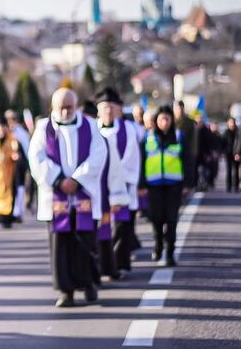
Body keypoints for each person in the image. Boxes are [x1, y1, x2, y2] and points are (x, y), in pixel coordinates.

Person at [29, 87, 106, 308]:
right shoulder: (44, 128)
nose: (64, 112)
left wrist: (77, 179)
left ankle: (88, 282)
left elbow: (99, 155)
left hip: (84, 194)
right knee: (60, 246)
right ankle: (66, 291)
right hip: (56, 197)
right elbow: (36, 158)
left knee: (85, 242)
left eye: (69, 107)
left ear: (76, 105)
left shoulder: (90, 126)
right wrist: (59, 180)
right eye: (60, 107)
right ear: (52, 107)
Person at [95, 88, 137, 277]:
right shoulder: (93, 129)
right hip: (99, 187)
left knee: (121, 227)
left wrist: (118, 177)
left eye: (112, 107)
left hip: (122, 186)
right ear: (99, 110)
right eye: (105, 108)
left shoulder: (127, 129)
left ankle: (118, 263)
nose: (109, 111)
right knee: (101, 227)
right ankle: (103, 265)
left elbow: (131, 156)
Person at [144, 105, 190, 266]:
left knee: (171, 220)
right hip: (153, 185)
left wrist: (188, 183)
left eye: (167, 119)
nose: (164, 122)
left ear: (171, 120)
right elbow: (142, 162)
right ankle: (158, 246)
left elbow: (188, 160)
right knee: (156, 218)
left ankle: (170, 252)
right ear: (156, 121)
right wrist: (141, 184)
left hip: (174, 186)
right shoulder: (147, 137)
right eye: (161, 119)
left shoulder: (179, 136)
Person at [0, 115, 26, 229]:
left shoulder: (13, 139)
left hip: (9, 173)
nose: (1, 129)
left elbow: (20, 156)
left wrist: (17, 157)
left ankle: (7, 219)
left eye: (3, 127)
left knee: (9, 196)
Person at [173, 100, 198, 189]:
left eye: (179, 108)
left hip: (187, 152)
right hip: (173, 153)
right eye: (175, 108)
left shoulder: (189, 122)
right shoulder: (171, 121)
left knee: (186, 178)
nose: (177, 110)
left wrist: (193, 153)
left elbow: (193, 140)